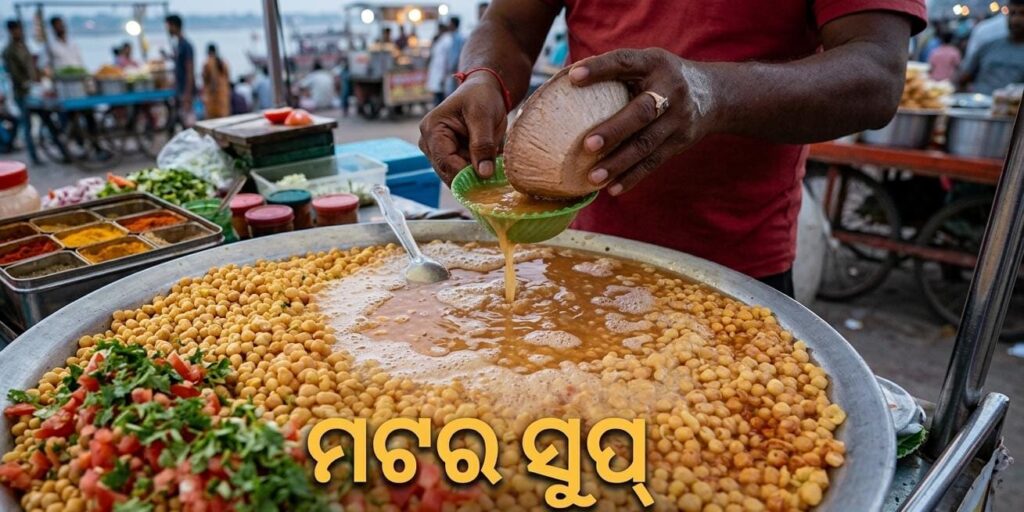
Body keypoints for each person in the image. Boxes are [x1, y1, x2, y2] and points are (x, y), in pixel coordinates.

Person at [419, 0, 926, 296]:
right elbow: (508, 22)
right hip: (572, 243)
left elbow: (875, 72)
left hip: (734, 262)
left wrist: (711, 91)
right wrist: (484, 78)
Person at [958, 1, 1024, 94]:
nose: (1016, 19)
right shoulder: (988, 46)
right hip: (980, 104)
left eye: (1022, 14)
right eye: (1012, 13)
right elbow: (963, 78)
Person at [2, 19, 37, 163]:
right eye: (16, 29)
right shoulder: (8, 51)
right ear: (11, 31)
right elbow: (15, 74)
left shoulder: (24, 46)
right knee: (27, 124)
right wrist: (27, 83)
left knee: (46, 119)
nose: (19, 32)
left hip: (33, 91)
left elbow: (32, 67)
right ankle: (34, 157)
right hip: (22, 93)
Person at [165, 14, 196, 126]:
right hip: (181, 90)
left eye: (168, 26)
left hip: (185, 91)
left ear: (174, 26)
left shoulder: (185, 45)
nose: (167, 29)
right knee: (183, 122)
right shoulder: (179, 45)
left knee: (188, 125)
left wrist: (187, 94)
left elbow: (189, 70)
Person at [201, 43, 230, 119]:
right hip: (223, 99)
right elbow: (227, 79)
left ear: (208, 52)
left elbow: (205, 80)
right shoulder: (224, 63)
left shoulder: (207, 63)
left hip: (212, 101)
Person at [427, 24, 453, 106]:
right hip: (437, 71)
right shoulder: (440, 40)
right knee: (437, 93)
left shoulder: (447, 40)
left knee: (442, 96)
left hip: (442, 72)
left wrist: (444, 75)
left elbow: (447, 59)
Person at [443, 17, 465, 96]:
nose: (448, 25)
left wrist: (452, 67)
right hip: (453, 69)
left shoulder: (458, 38)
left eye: (450, 23)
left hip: (455, 69)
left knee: (453, 93)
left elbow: (457, 55)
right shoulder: (452, 37)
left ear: (453, 24)